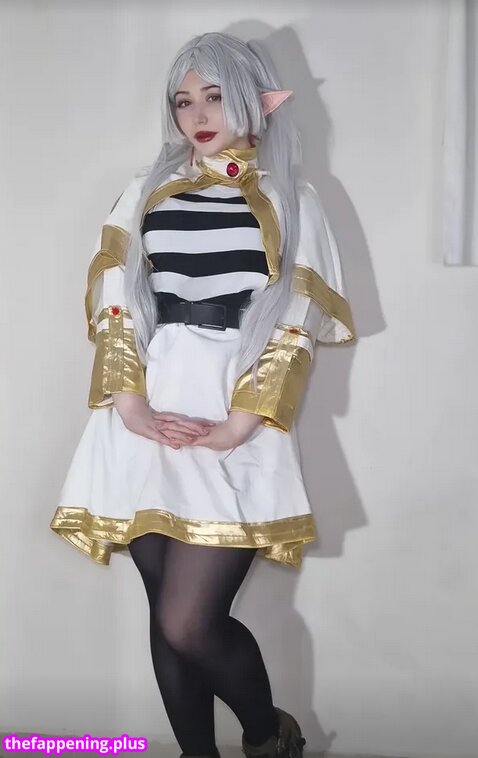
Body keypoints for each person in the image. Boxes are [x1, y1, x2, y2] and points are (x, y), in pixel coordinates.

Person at [50, 31, 355, 758]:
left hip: (234, 406)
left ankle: (269, 735)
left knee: (190, 621)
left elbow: (294, 319)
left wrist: (242, 424)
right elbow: (115, 297)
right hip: (146, 402)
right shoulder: (144, 189)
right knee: (165, 617)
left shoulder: (292, 198)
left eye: (214, 96)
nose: (198, 115)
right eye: (183, 101)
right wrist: (130, 405)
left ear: (255, 99)